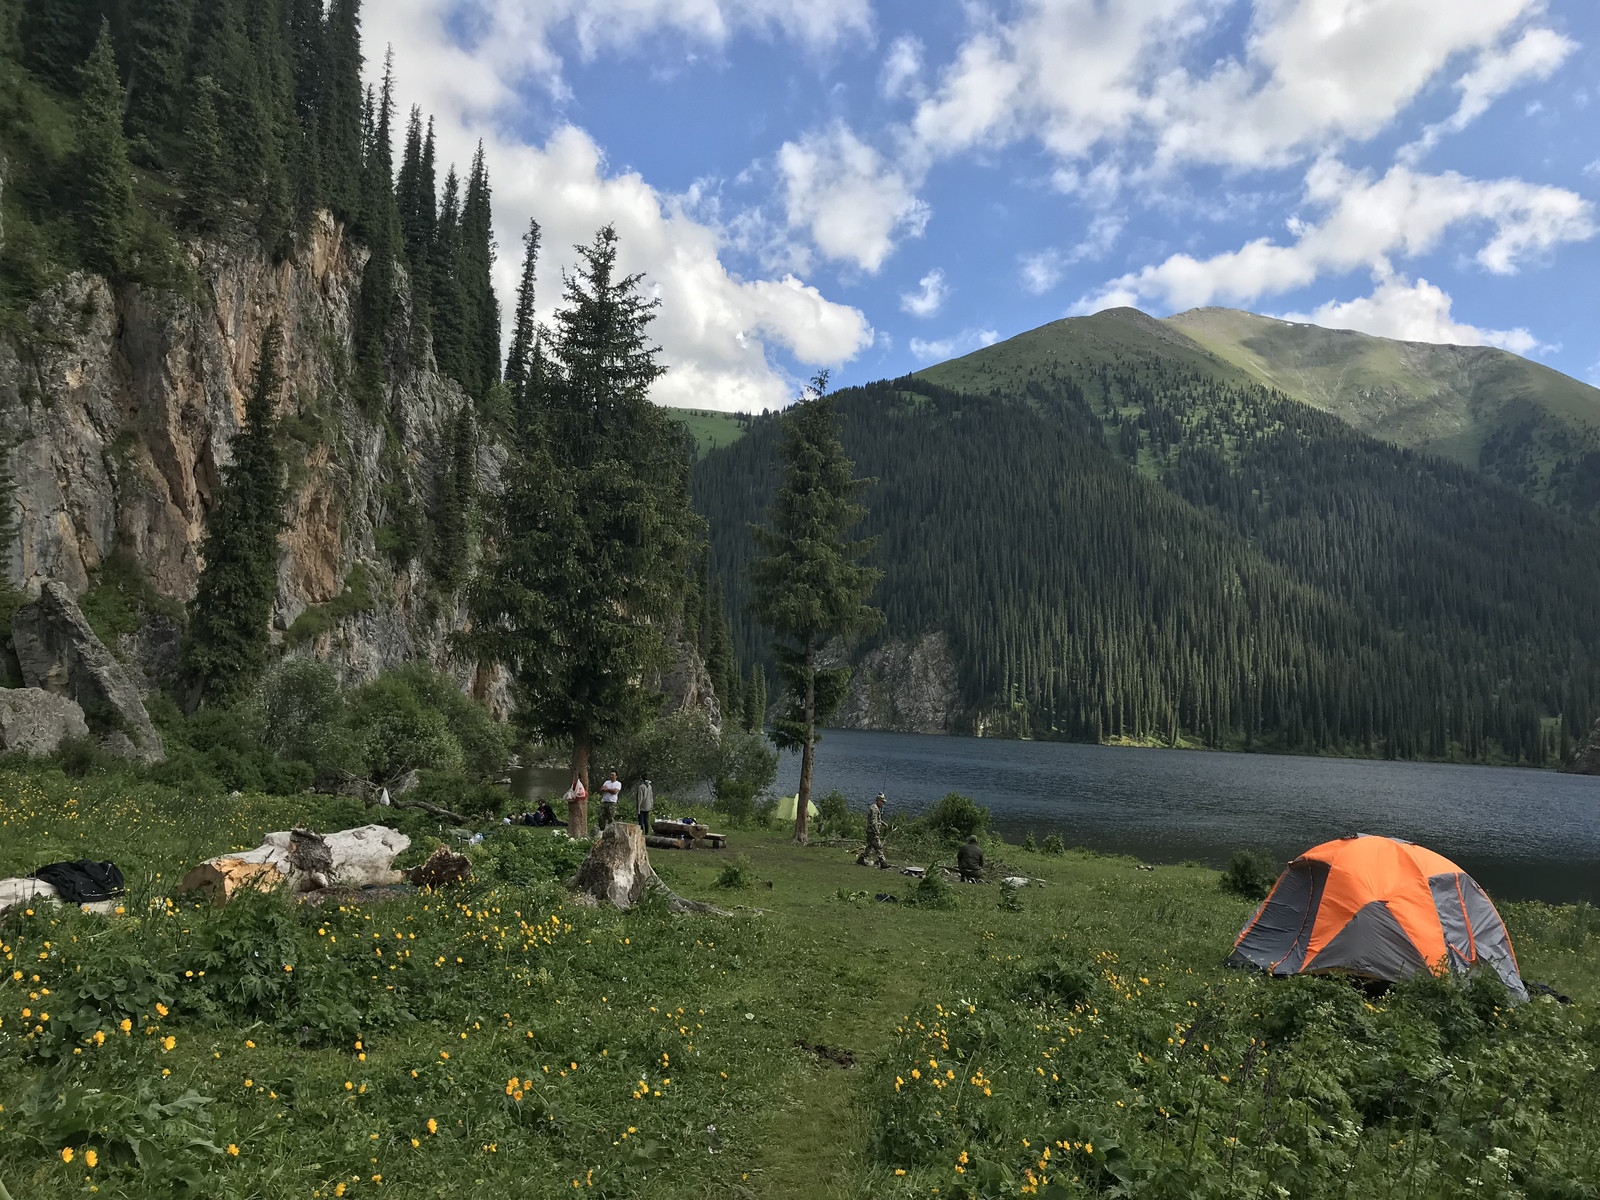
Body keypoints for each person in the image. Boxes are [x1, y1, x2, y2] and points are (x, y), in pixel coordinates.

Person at [858, 793, 888, 868]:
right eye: (882, 801)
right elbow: (873, 822)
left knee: (870, 847)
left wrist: (883, 823)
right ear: (878, 801)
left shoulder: (876, 808)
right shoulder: (874, 809)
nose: (883, 803)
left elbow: (878, 820)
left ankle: (861, 859)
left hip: (870, 831)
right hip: (872, 832)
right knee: (879, 846)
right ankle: (883, 862)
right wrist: (877, 831)